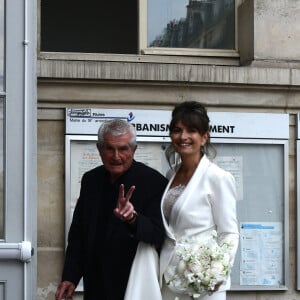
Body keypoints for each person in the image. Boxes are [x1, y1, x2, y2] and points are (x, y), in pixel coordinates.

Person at [55, 119, 168, 300]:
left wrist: (132, 218)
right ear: (99, 149)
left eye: (123, 149)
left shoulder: (154, 182)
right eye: (109, 148)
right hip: (95, 284)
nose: (116, 156)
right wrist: (70, 277)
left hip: (133, 284)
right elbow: (78, 234)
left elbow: (158, 235)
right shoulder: (90, 180)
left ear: (134, 150)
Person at [159, 101, 239, 300]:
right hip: (168, 278)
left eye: (191, 130)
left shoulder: (218, 177)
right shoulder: (171, 174)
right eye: (177, 130)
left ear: (204, 137)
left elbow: (229, 232)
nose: (183, 136)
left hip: (202, 282)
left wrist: (217, 273)